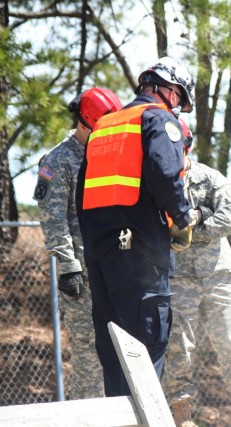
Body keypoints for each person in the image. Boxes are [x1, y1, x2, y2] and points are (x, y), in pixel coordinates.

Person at [76, 56, 197, 398]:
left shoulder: (104, 126)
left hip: (102, 256)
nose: (178, 109)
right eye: (180, 101)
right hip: (142, 258)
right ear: (171, 92)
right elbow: (165, 175)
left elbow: (81, 195)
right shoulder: (158, 120)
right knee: (146, 351)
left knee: (114, 356)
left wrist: (95, 244)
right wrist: (183, 219)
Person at [162, 118, 231, 427]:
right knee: (178, 349)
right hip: (177, 279)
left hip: (216, 276)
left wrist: (189, 223)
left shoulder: (210, 179)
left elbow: (229, 219)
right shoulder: (154, 182)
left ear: (187, 146)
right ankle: (182, 416)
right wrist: (198, 217)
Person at [34, 87, 123, 400]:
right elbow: (52, 217)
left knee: (122, 353)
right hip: (82, 275)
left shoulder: (108, 155)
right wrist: (68, 266)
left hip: (114, 269)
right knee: (89, 357)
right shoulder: (57, 160)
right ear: (87, 123)